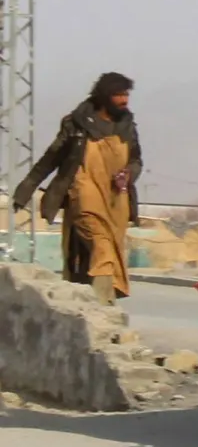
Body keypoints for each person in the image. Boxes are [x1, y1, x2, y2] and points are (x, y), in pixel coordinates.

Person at [12, 72, 142, 305]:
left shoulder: (127, 126)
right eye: (118, 95)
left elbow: (136, 160)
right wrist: (26, 189)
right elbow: (51, 159)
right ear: (104, 97)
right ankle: (104, 304)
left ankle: (89, 301)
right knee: (101, 243)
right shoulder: (77, 124)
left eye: (126, 95)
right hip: (83, 188)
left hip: (116, 197)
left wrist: (129, 174)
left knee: (107, 249)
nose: (124, 100)